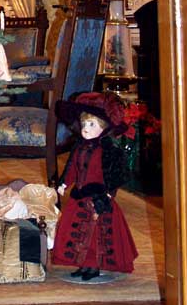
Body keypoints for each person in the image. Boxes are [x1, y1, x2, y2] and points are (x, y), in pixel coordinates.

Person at [53, 92, 138, 281]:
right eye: (84, 124)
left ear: (104, 127)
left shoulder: (108, 152)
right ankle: (83, 264)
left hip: (98, 198)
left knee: (95, 235)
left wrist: (108, 196)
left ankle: (93, 266)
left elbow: (113, 177)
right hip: (79, 196)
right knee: (77, 233)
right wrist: (64, 183)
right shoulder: (79, 148)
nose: (85, 128)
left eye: (91, 125)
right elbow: (73, 169)